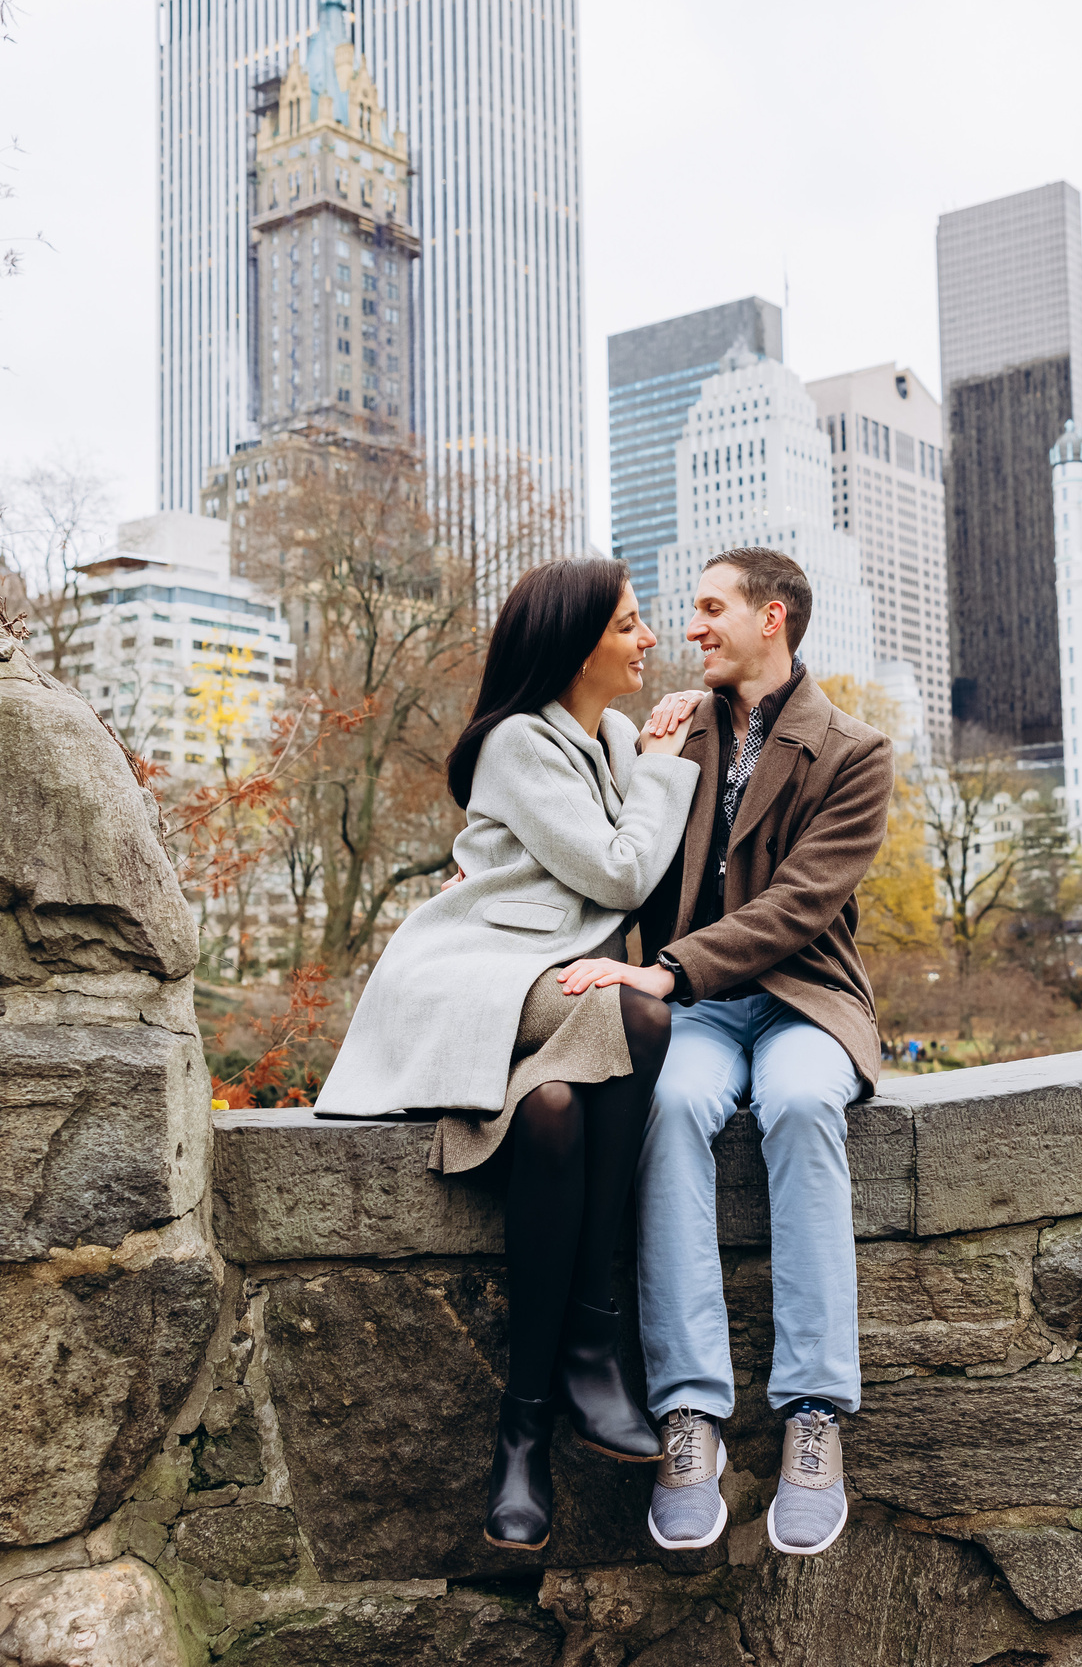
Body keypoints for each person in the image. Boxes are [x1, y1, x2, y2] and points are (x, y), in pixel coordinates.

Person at [312, 557, 702, 1553]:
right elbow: (619, 871)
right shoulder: (515, 746)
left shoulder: (611, 735)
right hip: (482, 978)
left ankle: (521, 1429)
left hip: (554, 993)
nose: (646, 640)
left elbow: (644, 884)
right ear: (575, 644)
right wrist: (664, 773)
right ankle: (589, 1337)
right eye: (627, 624)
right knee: (643, 1021)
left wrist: (648, 766)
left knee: (554, 1113)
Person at [547, 547, 893, 1560]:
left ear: (770, 617)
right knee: (669, 1106)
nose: (688, 627)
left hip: (804, 999)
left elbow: (799, 905)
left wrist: (669, 970)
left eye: (709, 608)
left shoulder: (855, 751)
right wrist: (641, 777)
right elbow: (615, 866)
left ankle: (815, 1414)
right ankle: (690, 1415)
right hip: (697, 1013)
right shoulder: (667, 730)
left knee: (796, 1104)